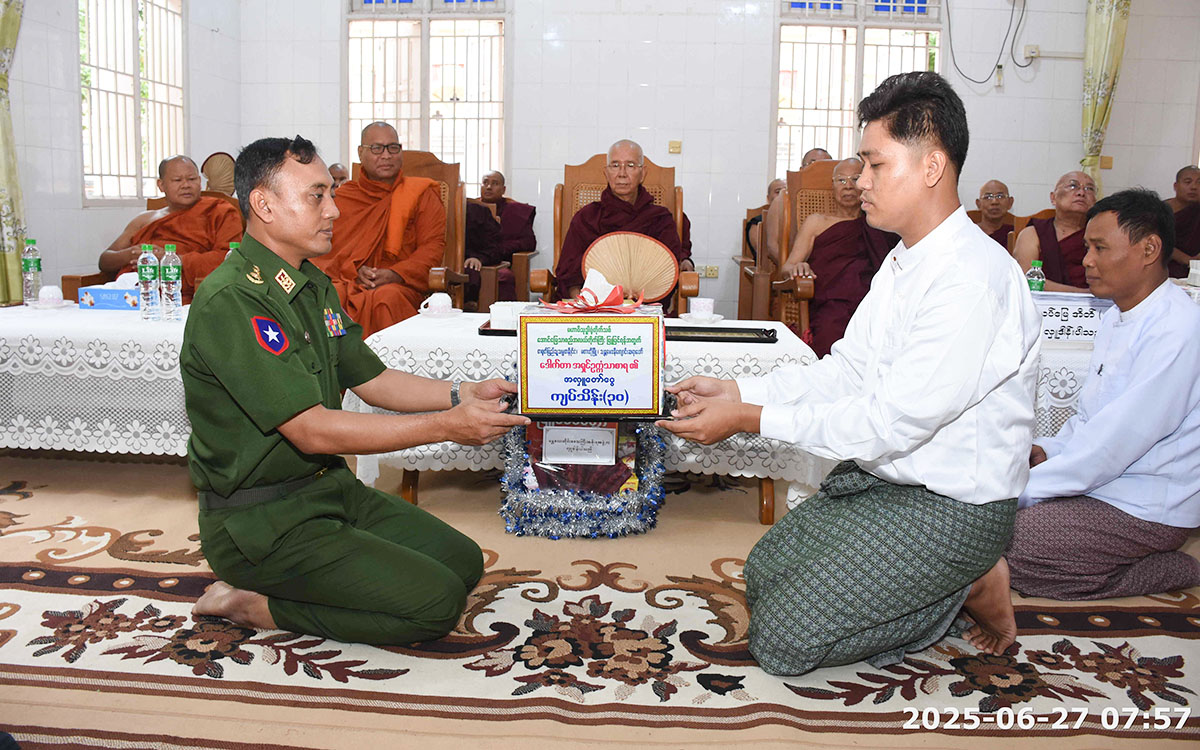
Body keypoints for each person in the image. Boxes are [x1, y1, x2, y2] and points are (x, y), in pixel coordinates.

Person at [657, 71, 1042, 674]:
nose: (859, 181)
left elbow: (890, 423)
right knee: (764, 571)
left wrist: (748, 418)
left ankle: (967, 581)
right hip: (888, 479)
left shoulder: (971, 279)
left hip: (954, 504)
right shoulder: (905, 259)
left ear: (932, 167)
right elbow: (846, 371)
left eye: (875, 164)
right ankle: (941, 580)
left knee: (785, 640)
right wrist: (735, 389)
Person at [182, 134, 529, 645]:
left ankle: (324, 565)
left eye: (331, 193)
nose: (334, 210)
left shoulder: (311, 284)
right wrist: (446, 427)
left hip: (327, 490)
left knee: (463, 562)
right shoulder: (233, 299)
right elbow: (312, 430)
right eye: (316, 196)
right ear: (264, 205)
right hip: (261, 520)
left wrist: (463, 393)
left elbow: (373, 378)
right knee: (433, 605)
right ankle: (256, 606)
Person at [1005, 189, 1200, 600]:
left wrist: (1016, 490)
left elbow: (1113, 446)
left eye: (1099, 248)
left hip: (1143, 503)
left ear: (1149, 249)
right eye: (1086, 248)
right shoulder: (1116, 316)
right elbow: (1089, 419)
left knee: (1006, 542)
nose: (1087, 261)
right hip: (1104, 484)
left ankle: (1172, 568)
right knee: (988, 532)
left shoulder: (1178, 329)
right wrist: (1047, 450)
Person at [312, 122, 445, 337]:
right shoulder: (343, 199)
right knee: (330, 295)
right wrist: (353, 271)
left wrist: (396, 274)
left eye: (393, 148)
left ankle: (388, 358)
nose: (386, 155)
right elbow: (324, 250)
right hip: (350, 280)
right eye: (376, 148)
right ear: (360, 153)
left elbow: (432, 248)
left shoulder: (421, 193)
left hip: (402, 285)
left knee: (386, 298)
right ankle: (338, 354)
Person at [779, 158, 896, 357]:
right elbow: (787, 267)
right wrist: (798, 267)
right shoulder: (817, 222)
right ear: (832, 186)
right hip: (831, 306)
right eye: (841, 180)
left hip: (873, 305)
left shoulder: (881, 225)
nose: (848, 186)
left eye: (855, 179)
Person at [554, 139, 693, 300]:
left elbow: (666, 270)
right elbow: (569, 275)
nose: (622, 173)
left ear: (643, 173)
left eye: (630, 165)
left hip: (646, 305)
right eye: (615, 165)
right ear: (606, 172)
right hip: (595, 306)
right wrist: (583, 304)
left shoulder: (659, 220)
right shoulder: (587, 218)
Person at [99, 155, 243, 304]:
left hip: (178, 294)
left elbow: (230, 259)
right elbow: (105, 260)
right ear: (161, 185)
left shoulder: (219, 211)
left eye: (192, 179)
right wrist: (132, 254)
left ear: (199, 182)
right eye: (177, 180)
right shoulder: (144, 219)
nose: (186, 185)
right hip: (130, 292)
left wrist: (173, 260)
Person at [1013, 171, 1096, 293]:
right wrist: (1083, 294)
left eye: (1089, 189)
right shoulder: (1034, 233)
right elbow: (1026, 280)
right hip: (1042, 303)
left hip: (1096, 303)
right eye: (1073, 186)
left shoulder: (1103, 235)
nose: (1081, 193)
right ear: (1053, 198)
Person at [463, 170, 537, 304]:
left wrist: (501, 249)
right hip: (467, 260)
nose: (489, 187)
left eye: (495, 183)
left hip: (498, 261)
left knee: (504, 276)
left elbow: (528, 242)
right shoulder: (469, 209)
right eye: (485, 182)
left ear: (503, 189)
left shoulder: (516, 211)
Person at [1166, 165, 1200, 278]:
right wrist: (1188, 260)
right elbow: (1155, 242)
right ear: (1176, 186)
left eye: (1199, 182)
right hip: (1165, 266)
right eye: (1188, 182)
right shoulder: (1161, 210)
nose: (1194, 187)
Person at [746, 178, 785, 260]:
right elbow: (761, 251)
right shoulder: (756, 223)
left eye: (786, 191)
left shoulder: (795, 221)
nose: (782, 195)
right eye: (778, 192)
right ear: (768, 198)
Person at [974, 180, 1015, 248]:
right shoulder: (970, 232)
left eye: (1000, 196)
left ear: (1010, 202)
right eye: (988, 197)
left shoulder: (1017, 234)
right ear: (978, 204)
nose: (994, 202)